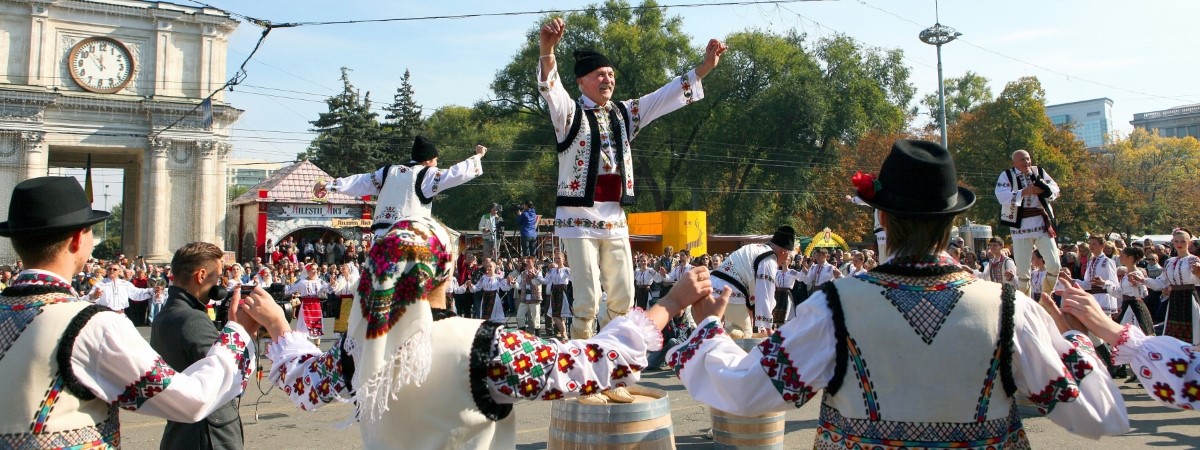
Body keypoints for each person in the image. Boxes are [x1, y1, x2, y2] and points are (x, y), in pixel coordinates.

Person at [668, 140, 1128, 447]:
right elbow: (1096, 417)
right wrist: (1073, 339)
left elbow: (747, 393)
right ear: (951, 223)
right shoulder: (1012, 309)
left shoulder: (833, 307)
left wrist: (708, 328)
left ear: (882, 220)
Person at [261, 216, 725, 448]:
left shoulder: (360, 350)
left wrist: (280, 326)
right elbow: (588, 365)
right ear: (444, 274)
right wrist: (669, 304)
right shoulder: (482, 346)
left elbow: (304, 382)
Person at [0, 176, 282, 447]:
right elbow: (191, 401)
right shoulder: (92, 325)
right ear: (77, 240)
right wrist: (239, 333)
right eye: (91, 231)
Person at [536, 16, 726, 339]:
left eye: (611, 74)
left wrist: (705, 67)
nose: (608, 79)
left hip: (614, 217)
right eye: (600, 74)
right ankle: (586, 377)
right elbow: (550, 88)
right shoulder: (569, 114)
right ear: (582, 82)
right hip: (578, 218)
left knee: (624, 296)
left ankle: (614, 369)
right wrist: (546, 50)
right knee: (587, 299)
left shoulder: (625, 113)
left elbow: (664, 97)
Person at [151, 242, 256, 450]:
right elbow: (228, 375)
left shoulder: (167, 313)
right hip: (208, 435)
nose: (219, 285)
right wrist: (243, 331)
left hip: (182, 428)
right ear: (201, 276)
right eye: (216, 278)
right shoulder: (192, 319)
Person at [1058, 278, 1198, 411]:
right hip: (1132, 307)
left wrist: (1103, 325)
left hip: (1138, 306)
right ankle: (1118, 367)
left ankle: (1117, 367)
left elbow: (1186, 373)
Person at [313, 136, 487, 235]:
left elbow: (361, 182)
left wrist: (329, 185)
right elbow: (457, 173)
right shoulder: (427, 174)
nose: (436, 164)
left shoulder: (388, 172)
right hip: (411, 237)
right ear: (427, 161)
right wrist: (477, 156)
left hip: (382, 239)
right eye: (435, 161)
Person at [996, 149, 1062, 296]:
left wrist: (1046, 190)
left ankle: (1045, 298)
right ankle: (1027, 305)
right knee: (1023, 272)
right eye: (1022, 160)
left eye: (1028, 159)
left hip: (1041, 224)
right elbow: (1002, 196)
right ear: (1014, 163)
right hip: (1020, 227)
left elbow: (1055, 188)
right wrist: (1025, 192)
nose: (1026, 162)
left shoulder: (1038, 171)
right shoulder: (1006, 175)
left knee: (1054, 265)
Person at [709, 226, 795, 337]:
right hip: (731, 291)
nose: (788, 259)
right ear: (783, 251)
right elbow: (765, 294)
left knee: (733, 327)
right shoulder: (769, 260)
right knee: (745, 333)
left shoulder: (758, 248)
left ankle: (713, 337)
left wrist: (750, 309)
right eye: (789, 254)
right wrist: (768, 328)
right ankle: (715, 336)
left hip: (718, 288)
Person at [1131, 228, 1200, 344]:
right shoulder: (1169, 262)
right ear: (1173, 242)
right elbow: (1161, 282)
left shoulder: (1193, 260)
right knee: (1173, 330)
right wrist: (1142, 280)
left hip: (1189, 297)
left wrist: (1198, 272)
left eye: (1183, 241)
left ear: (1189, 243)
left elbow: (1196, 280)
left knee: (1192, 329)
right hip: (1174, 299)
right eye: (1176, 241)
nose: (1179, 244)